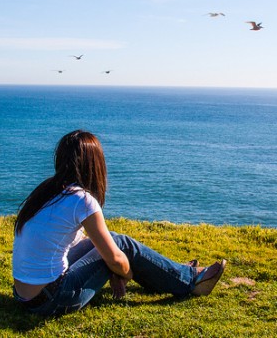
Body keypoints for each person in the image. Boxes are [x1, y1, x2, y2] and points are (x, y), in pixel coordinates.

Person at [12, 130, 226, 316]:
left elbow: (77, 240)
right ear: (93, 163)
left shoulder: (49, 191)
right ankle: (189, 281)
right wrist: (123, 273)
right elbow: (114, 258)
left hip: (25, 297)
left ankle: (173, 274)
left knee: (111, 241)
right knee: (121, 245)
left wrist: (114, 265)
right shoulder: (81, 199)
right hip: (53, 300)